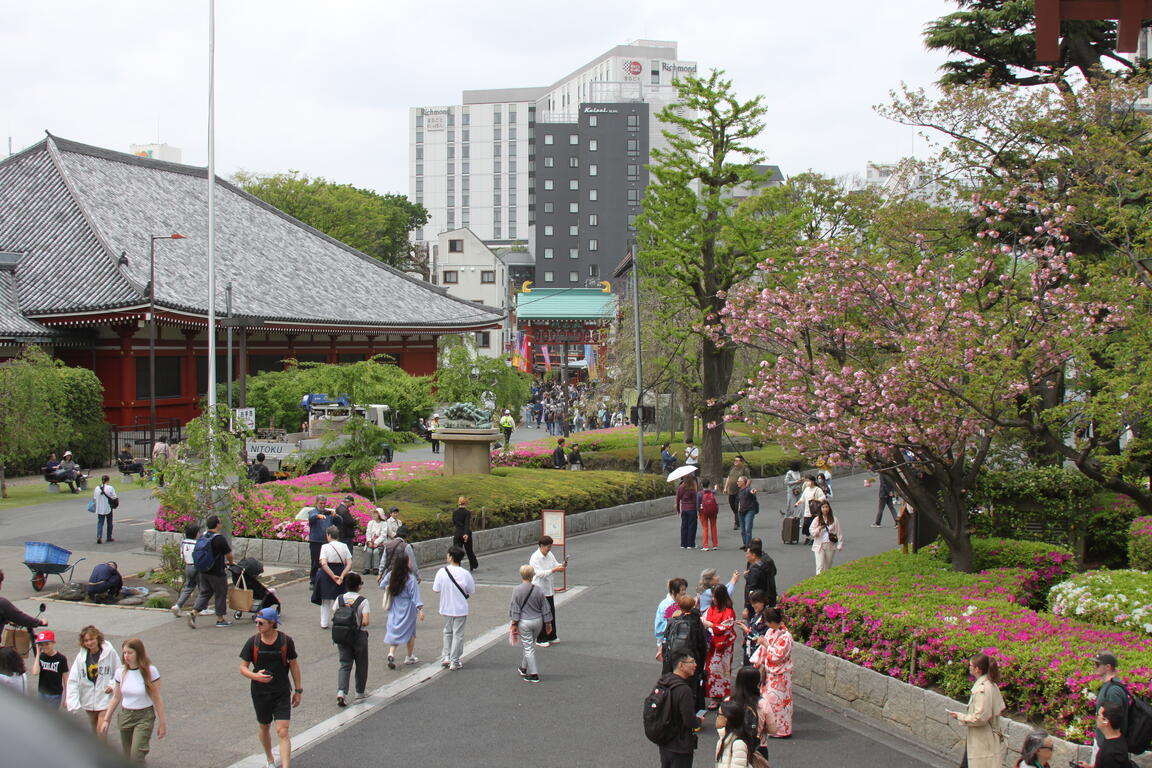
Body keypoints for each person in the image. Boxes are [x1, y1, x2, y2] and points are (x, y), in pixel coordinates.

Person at [239, 607, 301, 768]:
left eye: (261, 623)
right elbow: (243, 668)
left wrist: (298, 690)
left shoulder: (286, 641)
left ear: (272, 623)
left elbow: (294, 665)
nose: (257, 625)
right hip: (260, 693)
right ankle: (270, 760)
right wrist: (256, 676)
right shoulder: (253, 642)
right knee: (264, 726)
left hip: (281, 692)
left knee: (283, 730)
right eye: (256, 622)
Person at [98, 638, 166, 763]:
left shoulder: (150, 671)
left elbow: (157, 698)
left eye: (130, 653)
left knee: (137, 756)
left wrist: (162, 723)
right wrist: (106, 719)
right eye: (124, 653)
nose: (126, 656)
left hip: (144, 716)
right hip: (126, 716)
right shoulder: (121, 672)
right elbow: (116, 697)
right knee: (128, 756)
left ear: (138, 653)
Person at [947, 652, 1006, 768]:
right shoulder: (991, 684)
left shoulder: (981, 690)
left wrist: (960, 716)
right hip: (984, 739)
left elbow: (980, 718)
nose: (969, 668)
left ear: (977, 669)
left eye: (971, 666)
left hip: (982, 740)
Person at [65, 625, 121, 735]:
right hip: (89, 699)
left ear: (97, 638)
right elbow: (73, 679)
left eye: (91, 639)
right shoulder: (81, 657)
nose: (89, 643)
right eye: (86, 640)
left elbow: (119, 672)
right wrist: (72, 701)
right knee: (94, 733)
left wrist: (112, 685)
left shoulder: (110, 652)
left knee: (101, 731)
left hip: (105, 698)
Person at [662, 595, 709, 714]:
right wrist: (701, 664)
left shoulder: (674, 621)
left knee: (675, 684)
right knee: (692, 687)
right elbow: (702, 645)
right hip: (692, 658)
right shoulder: (697, 622)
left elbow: (666, 641)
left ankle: (673, 712)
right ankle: (694, 715)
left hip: (676, 660)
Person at [652, 650, 700, 768]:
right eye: (692, 662)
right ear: (681, 665)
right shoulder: (684, 690)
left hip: (665, 741)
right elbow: (689, 721)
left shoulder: (664, 682)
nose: (695, 665)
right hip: (680, 745)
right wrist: (698, 720)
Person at [751, 607, 793, 738]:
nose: (767, 625)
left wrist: (767, 645)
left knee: (780, 703)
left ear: (774, 621)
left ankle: (782, 729)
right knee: (768, 701)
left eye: (768, 622)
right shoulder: (770, 631)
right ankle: (770, 726)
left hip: (780, 674)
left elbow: (778, 656)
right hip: (770, 673)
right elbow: (766, 649)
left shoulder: (786, 636)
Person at [379, 550, 424, 669]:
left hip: (395, 605)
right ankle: (409, 656)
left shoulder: (391, 575)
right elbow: (415, 596)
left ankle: (391, 652)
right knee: (411, 633)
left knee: (395, 629)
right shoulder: (410, 578)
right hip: (408, 607)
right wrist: (420, 610)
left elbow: (382, 585)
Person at [433, 546, 475, 671]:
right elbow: (471, 590)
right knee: (458, 634)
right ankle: (454, 660)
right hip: (460, 608)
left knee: (447, 632)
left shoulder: (441, 572)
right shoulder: (465, 573)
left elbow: (436, 589)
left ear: (451, 557)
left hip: (446, 607)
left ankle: (446, 656)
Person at [189, 514, 235, 628]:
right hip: (217, 572)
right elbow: (228, 554)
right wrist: (230, 563)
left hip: (203, 571)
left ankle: (194, 612)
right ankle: (220, 619)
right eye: (220, 522)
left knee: (205, 592)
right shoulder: (219, 538)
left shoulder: (203, 536)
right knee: (220, 594)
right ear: (217, 524)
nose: (221, 524)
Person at [508, 563, 552, 684]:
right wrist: (548, 622)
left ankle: (534, 674)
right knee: (529, 645)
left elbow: (515, 608)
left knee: (528, 647)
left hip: (524, 621)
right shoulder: (538, 590)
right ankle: (523, 667)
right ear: (532, 575)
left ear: (521, 575)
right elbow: (545, 607)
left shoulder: (517, 590)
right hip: (538, 621)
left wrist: (514, 623)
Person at [723, 664, 776, 761]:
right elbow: (773, 730)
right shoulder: (762, 703)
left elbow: (720, 726)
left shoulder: (728, 702)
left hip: (732, 746)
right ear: (757, 683)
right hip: (758, 747)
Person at [333, 572, 370, 707]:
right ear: (359, 586)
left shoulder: (340, 599)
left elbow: (335, 615)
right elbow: (365, 621)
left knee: (345, 664)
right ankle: (360, 691)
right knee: (361, 664)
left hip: (342, 636)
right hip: (359, 635)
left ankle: (342, 692)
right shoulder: (363, 601)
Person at [1089, 653, 1128, 763]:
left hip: (1106, 745)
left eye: (1097, 664)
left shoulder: (1113, 690)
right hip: (1103, 743)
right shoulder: (1108, 685)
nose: (1094, 667)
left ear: (1108, 667)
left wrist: (1106, 746)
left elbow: (1114, 719)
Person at [702, 585, 737, 709]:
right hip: (712, 645)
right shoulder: (711, 608)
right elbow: (704, 620)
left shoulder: (729, 611)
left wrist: (710, 625)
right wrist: (708, 625)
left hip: (723, 647)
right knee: (711, 671)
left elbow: (725, 628)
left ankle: (723, 695)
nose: (713, 599)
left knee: (723, 671)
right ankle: (714, 697)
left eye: (715, 597)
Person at [312, 525, 352, 629]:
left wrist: (332, 575)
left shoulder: (325, 547)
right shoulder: (344, 546)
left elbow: (324, 563)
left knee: (325, 600)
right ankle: (339, 620)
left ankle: (324, 623)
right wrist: (342, 576)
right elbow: (349, 563)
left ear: (329, 535)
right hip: (341, 570)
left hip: (326, 574)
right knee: (339, 599)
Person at [529, 535, 566, 646]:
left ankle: (551, 635)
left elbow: (555, 564)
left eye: (550, 547)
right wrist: (555, 569)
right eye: (547, 547)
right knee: (541, 614)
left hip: (548, 589)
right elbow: (539, 573)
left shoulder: (550, 554)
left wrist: (562, 565)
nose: (549, 549)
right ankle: (541, 638)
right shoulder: (535, 557)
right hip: (539, 589)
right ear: (541, 546)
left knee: (550, 613)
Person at [1076, 702, 1129, 768]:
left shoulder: (1111, 754)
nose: (1096, 718)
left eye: (1098, 715)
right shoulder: (1118, 738)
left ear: (1105, 721)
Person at [0, 568, 47, 639]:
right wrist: (40, 622)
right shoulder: (2, 603)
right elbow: (20, 617)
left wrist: (7, 619)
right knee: (11, 650)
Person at [31, 630, 69, 708]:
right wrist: (38, 653)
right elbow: (35, 672)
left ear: (53, 642)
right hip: (42, 693)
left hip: (55, 695)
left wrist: (67, 698)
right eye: (41, 644)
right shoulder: (41, 657)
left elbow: (66, 679)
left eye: (47, 644)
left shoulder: (61, 659)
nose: (44, 647)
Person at [170, 522, 201, 617]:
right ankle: (201, 608)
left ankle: (178, 605)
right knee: (203, 588)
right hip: (196, 566)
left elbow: (181, 556)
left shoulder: (184, 542)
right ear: (196, 534)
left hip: (187, 566)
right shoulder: (198, 543)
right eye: (199, 532)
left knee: (189, 587)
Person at [655, 578, 689, 660]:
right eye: (682, 590)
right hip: (669, 641)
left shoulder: (681, 601)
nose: (684, 592)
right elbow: (659, 627)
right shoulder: (665, 606)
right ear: (674, 591)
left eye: (685, 589)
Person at [714, 699, 753, 768]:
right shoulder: (724, 738)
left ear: (727, 718)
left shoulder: (738, 744)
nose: (717, 717)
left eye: (719, 714)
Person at [810, 502, 844, 575]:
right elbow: (812, 532)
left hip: (830, 545)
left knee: (828, 566)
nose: (825, 509)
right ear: (820, 509)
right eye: (823, 507)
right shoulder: (817, 519)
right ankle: (818, 582)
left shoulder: (834, 519)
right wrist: (819, 528)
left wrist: (840, 544)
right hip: (819, 545)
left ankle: (825, 581)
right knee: (819, 566)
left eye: (826, 507)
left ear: (829, 508)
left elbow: (839, 532)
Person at [742, 545, 777, 616]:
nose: (746, 556)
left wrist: (747, 607)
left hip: (756, 603)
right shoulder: (764, 564)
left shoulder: (754, 570)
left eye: (748, 553)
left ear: (753, 555)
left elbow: (751, 589)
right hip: (766, 599)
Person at [737, 591, 770, 666]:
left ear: (762, 602)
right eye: (752, 603)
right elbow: (752, 627)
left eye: (755, 603)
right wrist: (745, 624)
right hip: (749, 649)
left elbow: (760, 636)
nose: (752, 605)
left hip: (756, 651)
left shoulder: (766, 616)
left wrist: (746, 629)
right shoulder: (758, 614)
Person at [307, 496, 332, 588]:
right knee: (315, 562)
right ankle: (313, 581)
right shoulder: (313, 512)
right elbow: (312, 517)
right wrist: (318, 516)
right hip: (315, 541)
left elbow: (338, 521)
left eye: (324, 503)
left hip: (326, 541)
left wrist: (335, 515)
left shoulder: (328, 513)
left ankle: (324, 581)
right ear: (316, 503)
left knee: (325, 562)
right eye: (321, 503)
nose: (322, 505)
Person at [794, 475, 826, 545]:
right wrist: (797, 503)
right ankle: (807, 538)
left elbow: (823, 498)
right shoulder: (806, 489)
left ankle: (814, 538)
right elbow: (803, 498)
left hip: (814, 510)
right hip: (807, 510)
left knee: (813, 524)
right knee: (806, 524)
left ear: (813, 481)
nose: (807, 483)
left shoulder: (817, 489)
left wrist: (816, 499)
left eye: (809, 481)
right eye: (807, 481)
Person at [452, 496, 479, 571]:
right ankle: (473, 564)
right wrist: (466, 533)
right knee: (469, 550)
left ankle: (457, 566)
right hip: (466, 533)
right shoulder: (467, 512)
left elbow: (454, 522)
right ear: (466, 503)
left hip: (457, 533)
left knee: (457, 551)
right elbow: (467, 524)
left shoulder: (455, 512)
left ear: (458, 503)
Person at [676, 475, 700, 549]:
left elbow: (678, 498)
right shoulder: (692, 488)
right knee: (692, 527)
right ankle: (691, 544)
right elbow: (696, 500)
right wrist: (698, 510)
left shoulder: (680, 487)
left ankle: (683, 543)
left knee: (684, 526)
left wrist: (678, 510)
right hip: (692, 509)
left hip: (684, 509)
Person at [93, 475, 118, 544]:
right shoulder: (110, 488)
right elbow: (114, 497)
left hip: (99, 508)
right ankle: (109, 537)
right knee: (109, 522)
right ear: (108, 480)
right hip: (108, 507)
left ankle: (99, 536)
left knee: (100, 522)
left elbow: (94, 498)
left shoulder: (97, 488)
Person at [364, 508, 389, 575]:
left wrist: (376, 543)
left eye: (376, 513)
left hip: (380, 543)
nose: (374, 515)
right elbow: (368, 533)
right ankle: (367, 568)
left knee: (376, 551)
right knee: (369, 551)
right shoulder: (371, 523)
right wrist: (369, 541)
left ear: (380, 514)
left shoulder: (384, 523)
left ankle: (376, 568)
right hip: (371, 542)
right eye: (373, 513)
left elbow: (383, 535)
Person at [735, 476, 758, 549]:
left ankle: (748, 545)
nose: (737, 482)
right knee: (743, 530)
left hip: (749, 510)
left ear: (743, 482)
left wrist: (754, 491)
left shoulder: (748, 489)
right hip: (741, 511)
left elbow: (752, 491)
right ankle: (745, 543)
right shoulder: (739, 491)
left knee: (748, 528)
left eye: (739, 481)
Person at [698, 478, 720, 551]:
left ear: (701, 485)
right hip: (713, 511)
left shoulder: (700, 494)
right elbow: (715, 491)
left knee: (705, 528)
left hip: (703, 512)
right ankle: (715, 545)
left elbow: (697, 505)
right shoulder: (711, 492)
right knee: (713, 527)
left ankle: (706, 545)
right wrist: (715, 488)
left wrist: (698, 513)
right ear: (708, 484)